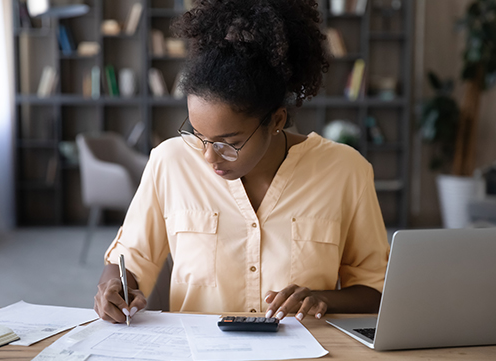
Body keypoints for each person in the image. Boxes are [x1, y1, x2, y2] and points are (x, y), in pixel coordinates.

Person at [94, 0, 390, 324]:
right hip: (199, 356)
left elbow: (375, 289)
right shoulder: (170, 162)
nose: (208, 157)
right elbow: (130, 260)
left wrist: (322, 299)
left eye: (229, 144)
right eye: (198, 135)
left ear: (276, 120)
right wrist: (113, 287)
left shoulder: (345, 171)